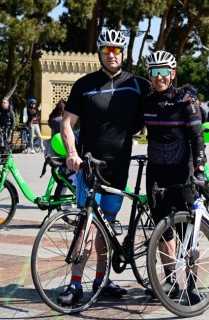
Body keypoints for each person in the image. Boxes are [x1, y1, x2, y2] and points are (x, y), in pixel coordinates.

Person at [59, 29, 151, 305]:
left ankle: (101, 279)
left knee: (106, 227)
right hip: (88, 167)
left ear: (123, 53)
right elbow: (66, 123)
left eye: (117, 50)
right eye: (107, 50)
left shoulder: (137, 84)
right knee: (86, 226)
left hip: (118, 168)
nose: (112, 55)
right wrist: (72, 154)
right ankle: (75, 284)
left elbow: (162, 104)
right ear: (99, 52)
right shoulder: (84, 84)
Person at [142, 50, 205, 304]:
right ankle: (169, 282)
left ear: (173, 73)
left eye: (164, 72)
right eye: (155, 72)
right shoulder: (145, 101)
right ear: (150, 75)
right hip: (156, 173)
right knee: (163, 231)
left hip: (183, 172)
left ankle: (192, 285)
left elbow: (197, 138)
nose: (160, 77)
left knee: (189, 232)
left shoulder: (185, 100)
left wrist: (199, 170)